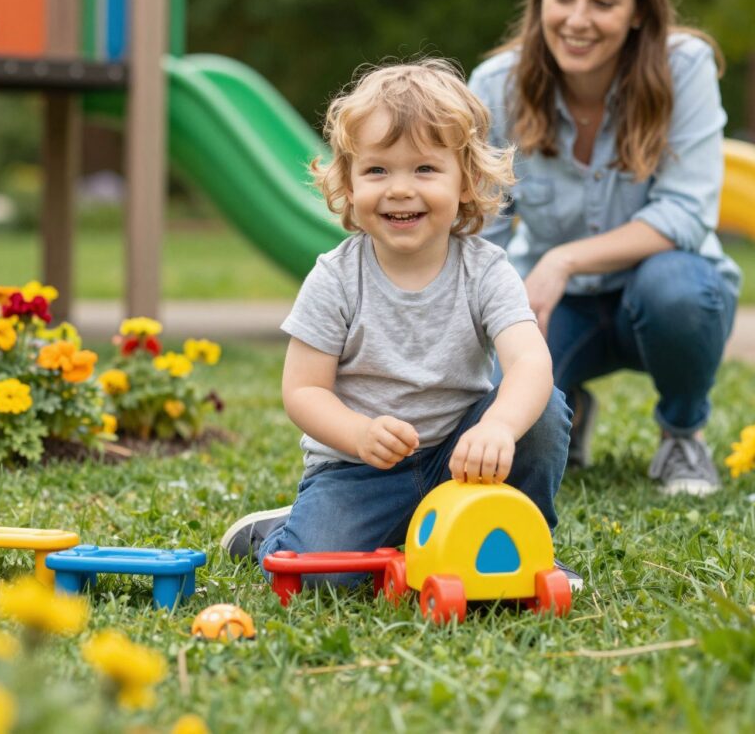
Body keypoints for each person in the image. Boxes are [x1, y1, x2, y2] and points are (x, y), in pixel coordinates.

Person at [220, 59, 577, 588]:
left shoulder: (485, 270)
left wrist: (497, 427)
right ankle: (275, 532)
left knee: (542, 409)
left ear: (466, 181)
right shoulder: (335, 278)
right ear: (348, 180)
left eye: (425, 169)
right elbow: (302, 390)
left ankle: (522, 542)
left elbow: (529, 360)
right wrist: (359, 433)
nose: (400, 189)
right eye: (378, 170)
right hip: (360, 472)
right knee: (325, 580)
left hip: (464, 461)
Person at [469, 0, 741, 495]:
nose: (577, 20)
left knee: (677, 290)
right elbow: (478, 230)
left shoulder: (683, 67)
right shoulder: (496, 86)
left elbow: (687, 214)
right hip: (555, 306)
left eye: (604, 2)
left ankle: (682, 437)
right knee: (501, 425)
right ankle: (571, 407)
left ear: (640, 9)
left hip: (664, 293)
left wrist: (563, 259)